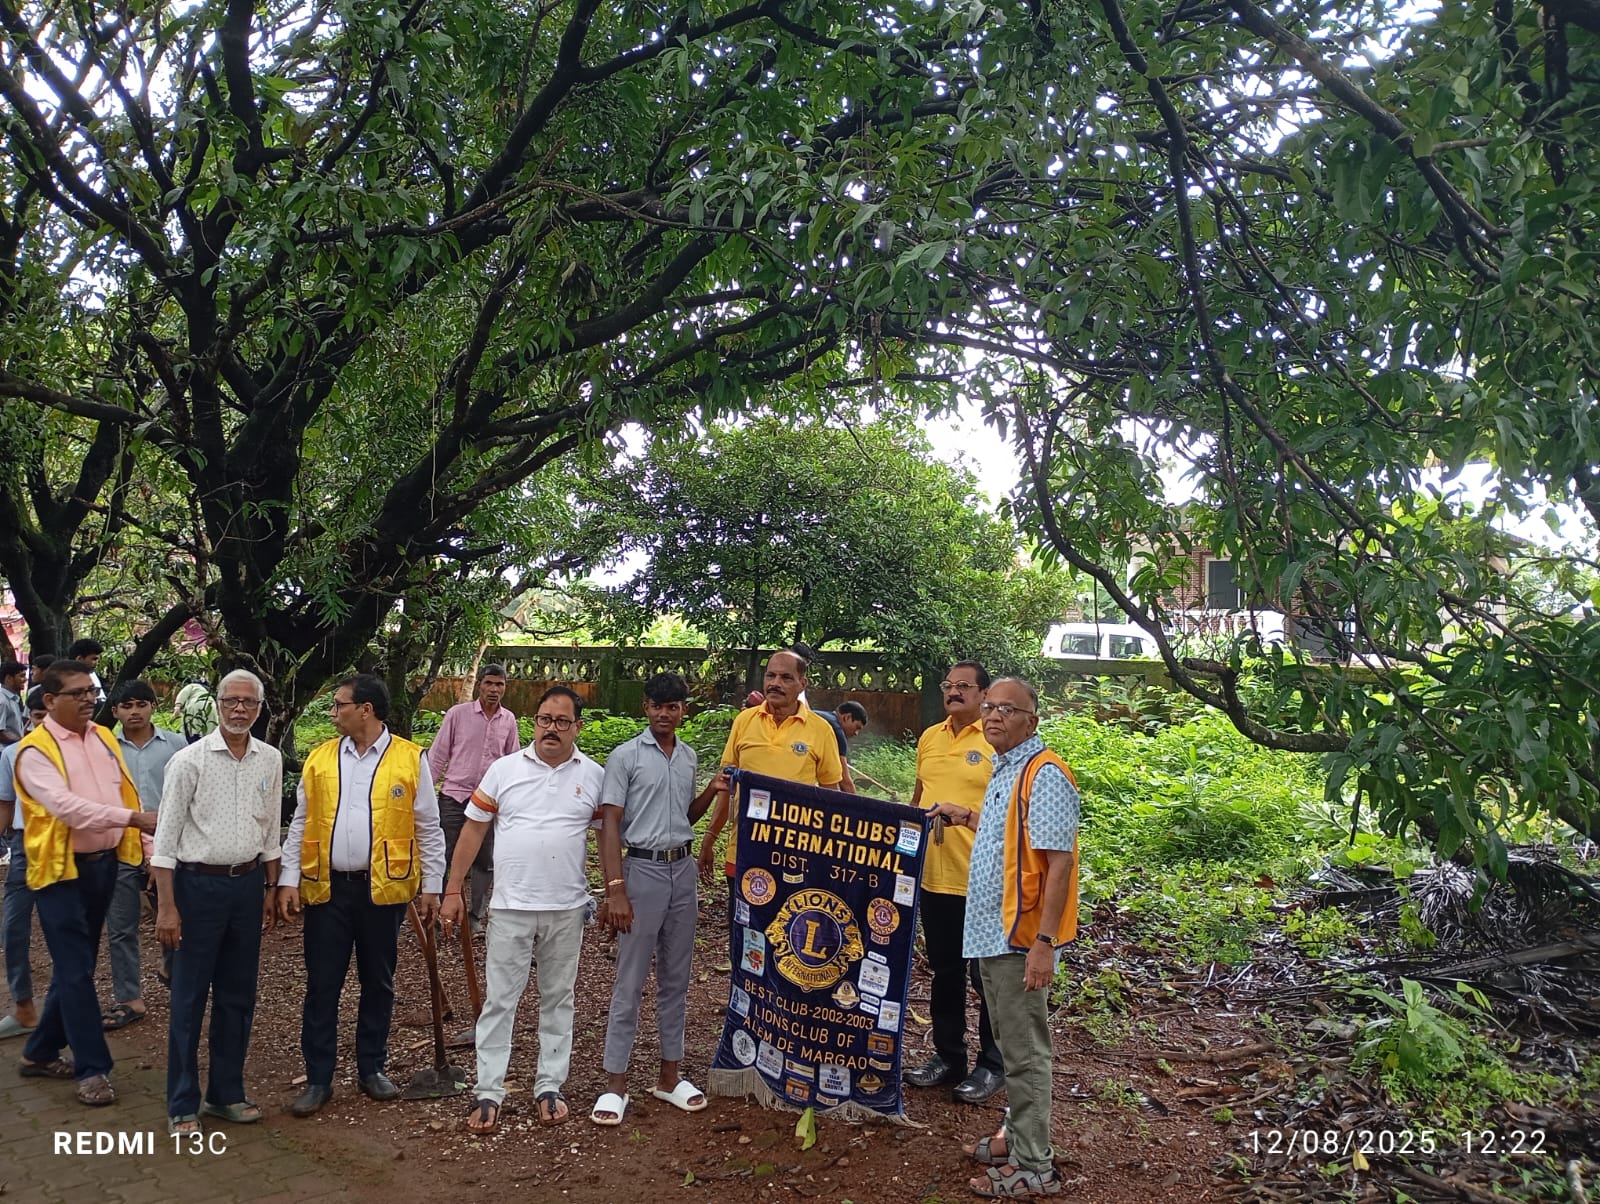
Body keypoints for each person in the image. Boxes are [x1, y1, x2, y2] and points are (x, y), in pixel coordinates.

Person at [928, 677, 1079, 1199]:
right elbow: (1009, 839)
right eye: (989, 706)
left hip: (1019, 939)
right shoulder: (1008, 768)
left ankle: (1035, 1166)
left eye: (1006, 709)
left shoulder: (1045, 774)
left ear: (1031, 720)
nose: (993, 716)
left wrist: (1044, 944)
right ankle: (1017, 1138)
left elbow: (1059, 864)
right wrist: (965, 815)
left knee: (1025, 1053)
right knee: (1015, 1048)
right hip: (991, 933)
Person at [277, 673, 445, 1117]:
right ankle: (318, 1078)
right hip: (327, 890)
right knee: (322, 985)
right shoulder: (319, 759)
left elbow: (428, 826)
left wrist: (433, 886)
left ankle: (372, 1068)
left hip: (382, 893)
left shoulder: (410, 759)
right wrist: (288, 878)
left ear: (365, 709)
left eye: (339, 705)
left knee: (378, 982)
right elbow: (301, 822)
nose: (333, 713)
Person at [441, 686, 602, 1133]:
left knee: (558, 999)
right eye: (545, 719)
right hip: (510, 906)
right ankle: (488, 1091)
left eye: (562, 721)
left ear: (578, 727)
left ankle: (550, 1084)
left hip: (567, 908)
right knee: (500, 1001)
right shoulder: (503, 770)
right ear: (534, 723)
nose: (552, 728)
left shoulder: (593, 776)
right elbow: (472, 831)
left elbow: (607, 837)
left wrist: (616, 888)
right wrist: (454, 889)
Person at [12, 660, 158, 1106]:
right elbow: (68, 808)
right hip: (59, 873)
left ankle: (38, 1052)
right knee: (76, 970)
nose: (88, 699)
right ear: (50, 700)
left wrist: (148, 849)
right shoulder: (34, 753)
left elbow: (124, 794)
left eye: (91, 691)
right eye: (77, 693)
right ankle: (93, 1069)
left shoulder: (100, 739)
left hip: (105, 865)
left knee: (75, 968)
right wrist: (133, 819)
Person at [150, 669, 283, 1136]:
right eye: (231, 701)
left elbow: (270, 831)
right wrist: (167, 907)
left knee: (238, 996)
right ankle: (182, 1102)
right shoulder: (189, 762)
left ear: (260, 707)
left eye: (249, 702)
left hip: (246, 888)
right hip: (195, 889)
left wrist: (269, 890)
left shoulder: (270, 759)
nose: (240, 709)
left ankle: (226, 1092)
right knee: (188, 998)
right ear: (218, 706)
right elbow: (164, 842)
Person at [591, 673, 726, 1125]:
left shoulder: (687, 757)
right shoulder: (625, 757)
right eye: (656, 706)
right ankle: (615, 1082)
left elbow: (685, 815)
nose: (664, 714)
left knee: (676, 977)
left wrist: (712, 790)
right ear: (645, 707)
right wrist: (616, 890)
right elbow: (610, 824)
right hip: (642, 870)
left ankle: (670, 1075)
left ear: (683, 709)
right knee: (629, 979)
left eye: (673, 707)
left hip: (682, 871)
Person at [905, 661, 1005, 1104]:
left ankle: (993, 1064)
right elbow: (918, 797)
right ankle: (948, 1057)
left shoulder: (998, 740)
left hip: (983, 879)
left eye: (964, 686)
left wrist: (966, 818)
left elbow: (1012, 817)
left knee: (987, 978)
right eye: (949, 685)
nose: (953, 692)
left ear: (984, 695)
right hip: (934, 877)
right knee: (944, 974)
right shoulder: (929, 737)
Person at [697, 649, 843, 885]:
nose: (775, 684)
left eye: (786, 678)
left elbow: (829, 796)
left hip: (795, 855)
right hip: (744, 849)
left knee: (788, 920)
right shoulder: (744, 721)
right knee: (742, 921)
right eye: (770, 676)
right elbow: (726, 785)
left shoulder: (821, 729)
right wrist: (709, 839)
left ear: (802, 683)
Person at [102, 681, 186, 1032]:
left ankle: (173, 972)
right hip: (120, 843)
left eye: (141, 704)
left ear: (153, 706)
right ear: (116, 711)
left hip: (169, 844)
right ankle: (129, 998)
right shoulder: (103, 748)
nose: (134, 711)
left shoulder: (177, 746)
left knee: (175, 915)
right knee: (121, 926)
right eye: (126, 706)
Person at [426, 663, 518, 935]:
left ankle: (474, 918)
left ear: (505, 688)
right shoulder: (458, 714)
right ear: (479, 684)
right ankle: (439, 916)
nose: (494, 689)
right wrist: (424, 796)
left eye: (499, 684)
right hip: (454, 796)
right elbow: (438, 755)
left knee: (485, 861)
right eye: (489, 683)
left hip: (489, 801)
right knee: (443, 856)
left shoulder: (508, 720)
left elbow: (512, 761)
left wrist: (512, 799)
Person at [0, 686, 47, 1039]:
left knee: (70, 928)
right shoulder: (13, 754)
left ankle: (67, 1008)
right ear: (30, 716)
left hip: (70, 848)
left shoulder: (79, 751)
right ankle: (24, 1005)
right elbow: (5, 802)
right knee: (14, 927)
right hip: (24, 844)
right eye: (39, 715)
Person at [813, 699, 868, 794]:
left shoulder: (815, 715)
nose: (856, 733)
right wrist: (857, 806)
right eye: (857, 727)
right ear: (847, 717)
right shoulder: (835, 730)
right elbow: (845, 781)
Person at [172, 679, 218, 745]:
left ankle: (190, 742)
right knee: (210, 727)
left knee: (191, 726)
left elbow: (184, 693)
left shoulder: (192, 686)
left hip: (195, 704)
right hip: (211, 706)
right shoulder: (208, 694)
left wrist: (177, 707)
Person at [0, 661, 26, 746]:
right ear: (8, 678)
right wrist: (23, 742)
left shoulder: (13, 698)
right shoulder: (2, 700)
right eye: (21, 676)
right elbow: (1, 732)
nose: (25, 679)